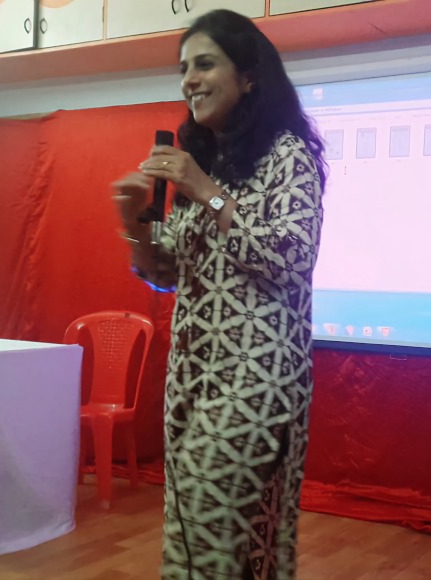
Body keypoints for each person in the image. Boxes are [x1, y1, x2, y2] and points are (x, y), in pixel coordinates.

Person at [110, 10, 325, 580]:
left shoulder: (288, 156)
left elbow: (290, 257)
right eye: (184, 69)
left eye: (204, 64)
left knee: (205, 524)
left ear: (249, 76)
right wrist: (133, 224)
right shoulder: (206, 162)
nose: (189, 80)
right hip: (194, 374)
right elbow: (166, 273)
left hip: (257, 375)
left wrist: (204, 190)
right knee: (203, 526)